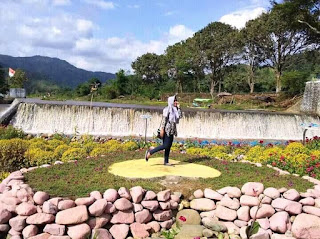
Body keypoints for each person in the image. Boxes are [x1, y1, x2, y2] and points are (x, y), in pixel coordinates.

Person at [145, 95, 182, 166]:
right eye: (174, 101)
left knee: (168, 146)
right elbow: (164, 120)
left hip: (172, 130)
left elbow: (179, 116)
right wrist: (162, 129)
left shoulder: (175, 110)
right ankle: (150, 152)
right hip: (166, 130)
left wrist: (179, 108)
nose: (176, 102)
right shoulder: (167, 110)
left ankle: (166, 161)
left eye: (176, 100)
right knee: (165, 145)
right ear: (171, 101)